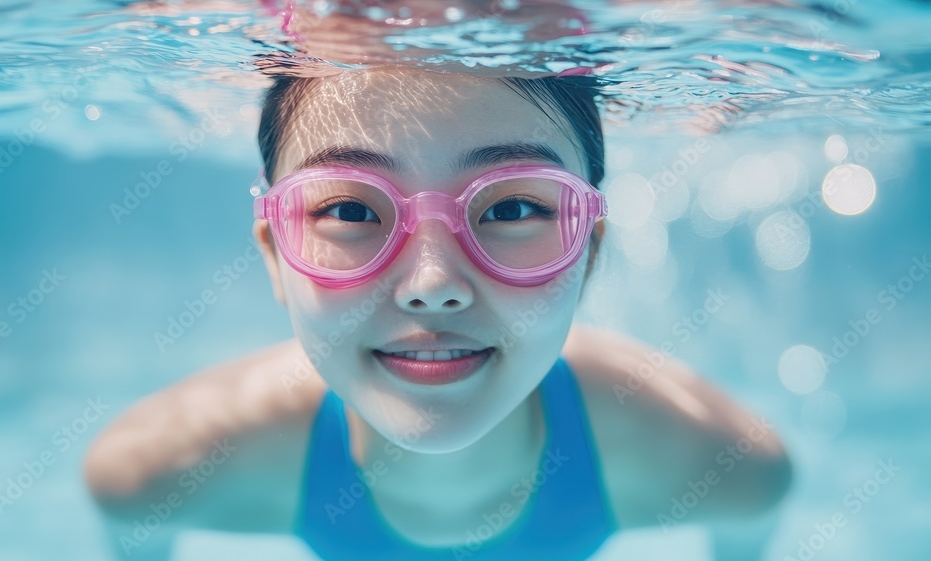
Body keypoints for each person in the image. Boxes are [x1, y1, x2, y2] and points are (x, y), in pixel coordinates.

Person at [83, 65, 792, 561]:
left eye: (512, 209)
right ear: (275, 256)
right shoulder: (152, 472)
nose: (432, 285)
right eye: (350, 210)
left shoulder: (728, 468)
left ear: (589, 253)